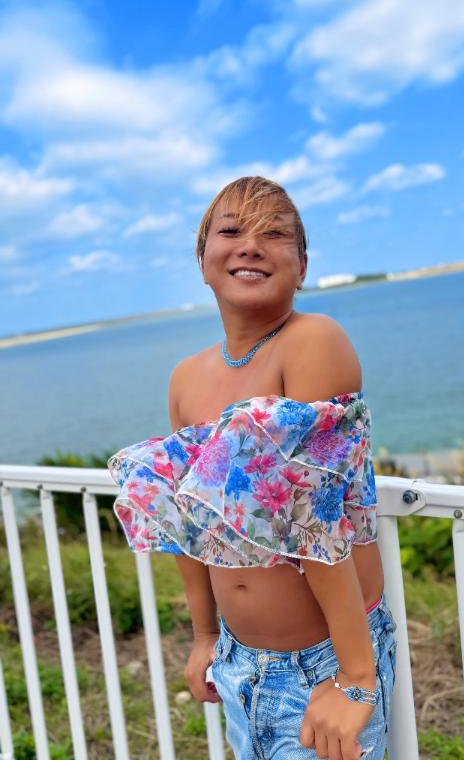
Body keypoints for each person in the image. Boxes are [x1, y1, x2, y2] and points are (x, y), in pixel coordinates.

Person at [107, 176, 397, 760]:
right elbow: (191, 525)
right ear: (202, 260)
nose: (251, 245)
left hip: (323, 665)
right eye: (232, 230)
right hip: (239, 662)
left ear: (302, 265)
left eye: (275, 234)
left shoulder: (312, 341)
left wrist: (355, 675)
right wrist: (205, 635)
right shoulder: (186, 378)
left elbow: (316, 517)